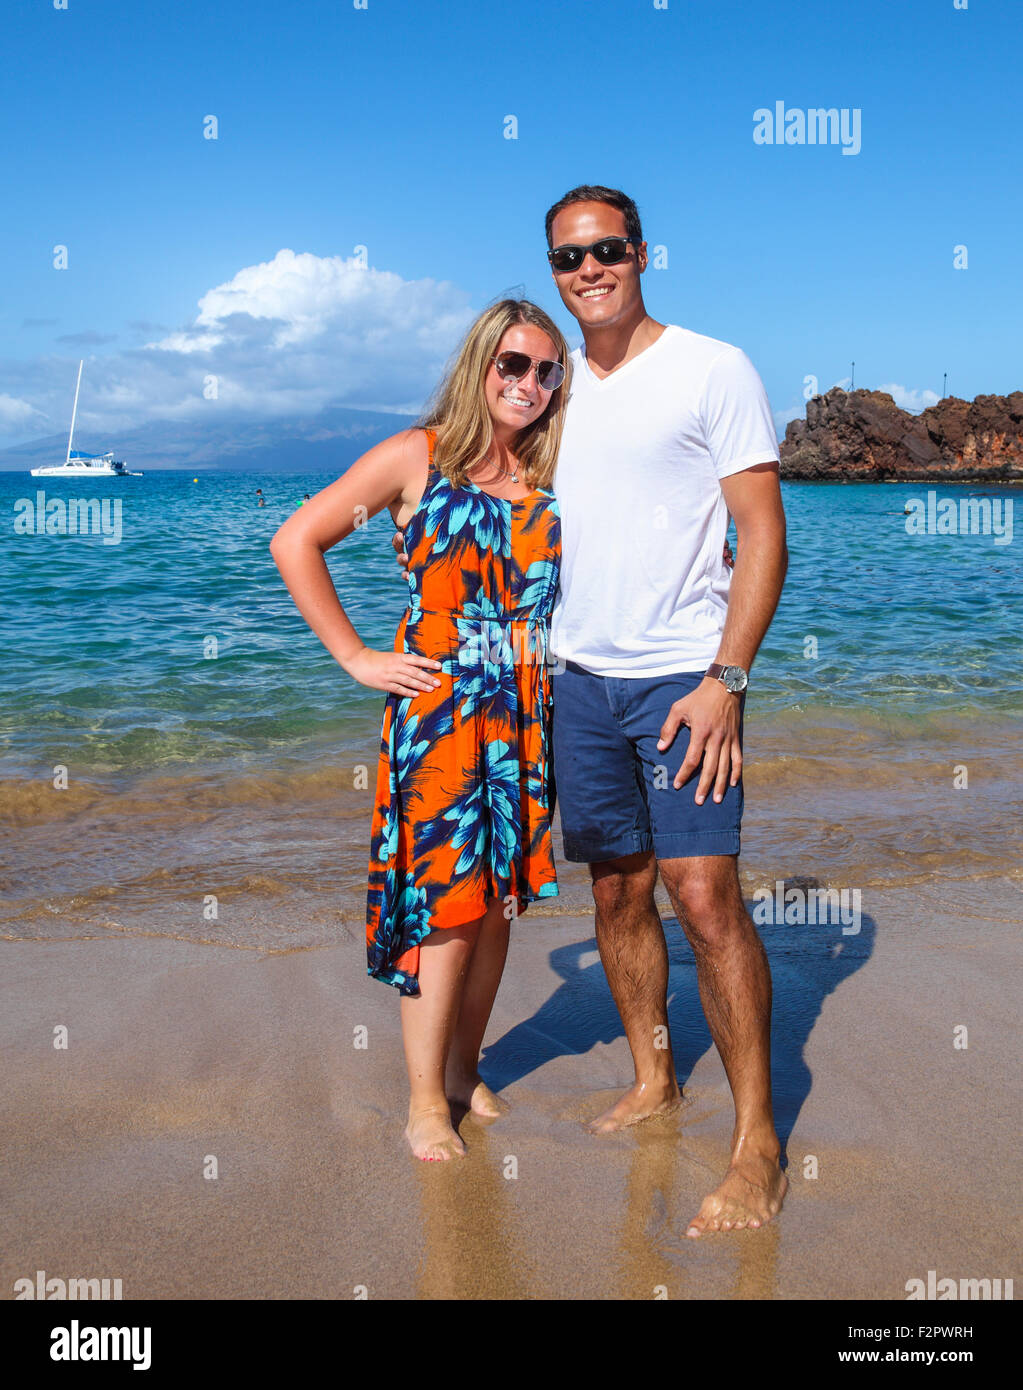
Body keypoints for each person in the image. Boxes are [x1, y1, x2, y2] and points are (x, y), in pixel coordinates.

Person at [394, 186, 789, 1235]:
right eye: (569, 257)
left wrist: (728, 679)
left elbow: (763, 532)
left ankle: (757, 1145)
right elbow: (476, 495)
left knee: (704, 895)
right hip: (575, 683)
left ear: (644, 252)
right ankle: (655, 1076)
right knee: (617, 898)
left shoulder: (714, 368)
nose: (589, 270)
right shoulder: (554, 390)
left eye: (607, 249)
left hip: (684, 680)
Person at [270, 300, 570, 1162]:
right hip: (438, 715)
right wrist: (357, 656)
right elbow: (298, 540)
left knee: (498, 907)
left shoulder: (546, 478)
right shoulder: (419, 456)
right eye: (513, 364)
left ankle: (462, 1071)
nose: (529, 384)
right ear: (481, 363)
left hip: (522, 713)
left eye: (547, 372)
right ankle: (421, 1104)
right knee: (446, 909)